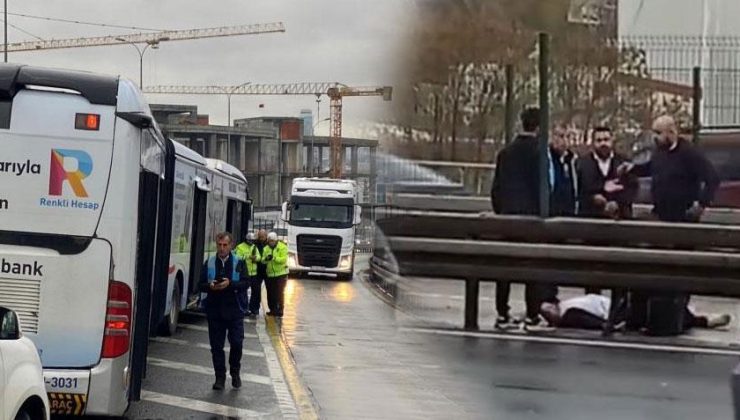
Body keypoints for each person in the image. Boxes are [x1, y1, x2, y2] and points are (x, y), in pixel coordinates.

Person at [619, 115, 720, 334]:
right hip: (661, 218)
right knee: (659, 266)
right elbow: (649, 168)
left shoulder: (689, 154)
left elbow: (712, 177)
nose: (655, 138)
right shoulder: (660, 153)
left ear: (671, 132)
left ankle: (678, 313)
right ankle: (660, 313)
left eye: (658, 133)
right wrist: (632, 169)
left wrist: (701, 204)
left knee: (681, 267)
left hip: (683, 220)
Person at [491, 107, 551, 331]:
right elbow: (542, 187)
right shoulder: (539, 153)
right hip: (531, 217)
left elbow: (496, 188)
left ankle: (502, 313)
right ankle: (532, 314)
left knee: (505, 266)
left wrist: (501, 211)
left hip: (507, 216)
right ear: (539, 127)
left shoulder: (505, 153)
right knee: (531, 265)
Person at [576, 126, 639, 306]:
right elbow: (580, 190)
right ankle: (592, 307)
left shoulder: (624, 163)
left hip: (619, 224)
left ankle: (619, 309)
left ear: (612, 141)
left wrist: (617, 204)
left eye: (606, 139)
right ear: (593, 143)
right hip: (592, 225)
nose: (603, 143)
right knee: (592, 271)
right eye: (599, 140)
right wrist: (598, 199)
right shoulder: (582, 163)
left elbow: (632, 189)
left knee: (619, 270)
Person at [198, 232, 248, 390]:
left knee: (237, 343)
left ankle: (235, 371)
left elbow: (246, 283)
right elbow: (200, 284)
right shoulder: (210, 262)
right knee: (216, 347)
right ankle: (219, 377)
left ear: (231, 246)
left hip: (235, 310)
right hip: (215, 310)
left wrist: (230, 284)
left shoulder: (239, 262)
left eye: (225, 245)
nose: (221, 248)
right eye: (219, 245)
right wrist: (211, 286)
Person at [540, 294, 730, 332]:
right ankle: (701, 320)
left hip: (615, 305)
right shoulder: (568, 314)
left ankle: (696, 318)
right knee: (654, 308)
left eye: (547, 307)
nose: (548, 309)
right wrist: (610, 326)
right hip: (617, 312)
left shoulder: (566, 303)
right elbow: (588, 321)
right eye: (547, 313)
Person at [235, 232, 262, 318]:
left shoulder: (254, 247)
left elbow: (259, 257)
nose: (252, 242)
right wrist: (248, 256)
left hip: (253, 273)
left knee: (256, 292)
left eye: (253, 240)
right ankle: (243, 308)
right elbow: (237, 257)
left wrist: (255, 258)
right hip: (244, 273)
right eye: (250, 240)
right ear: (247, 240)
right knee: (242, 291)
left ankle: (254, 309)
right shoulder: (240, 247)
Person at [262, 232, 289, 317]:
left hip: (281, 274)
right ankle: (272, 309)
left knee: (279, 292)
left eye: (273, 241)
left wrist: (274, 258)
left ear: (276, 240)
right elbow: (262, 260)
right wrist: (266, 259)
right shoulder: (266, 248)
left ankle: (280, 310)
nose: (271, 242)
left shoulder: (282, 247)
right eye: (270, 241)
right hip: (270, 274)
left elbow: (283, 259)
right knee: (270, 293)